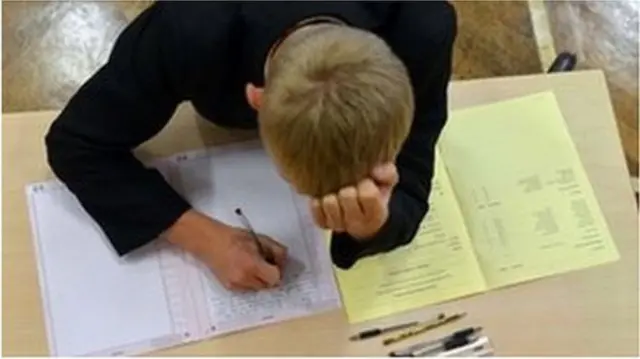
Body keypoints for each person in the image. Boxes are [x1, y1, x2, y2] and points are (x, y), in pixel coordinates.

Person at [45, 2, 457, 291]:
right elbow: (76, 143)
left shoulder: (421, 27)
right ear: (255, 100)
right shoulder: (190, 28)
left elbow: (414, 175)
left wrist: (375, 223)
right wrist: (201, 236)